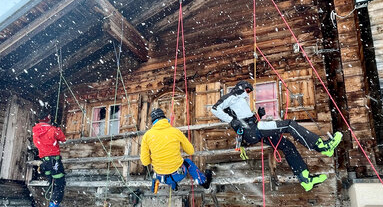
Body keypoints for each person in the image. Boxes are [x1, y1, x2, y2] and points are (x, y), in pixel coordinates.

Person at [211, 80, 342, 191]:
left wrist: (259, 115)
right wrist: (231, 121)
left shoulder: (240, 100)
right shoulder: (233, 95)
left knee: (287, 145)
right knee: (289, 125)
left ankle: (305, 179)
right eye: (247, 90)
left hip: (253, 130)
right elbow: (214, 108)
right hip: (252, 130)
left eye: (249, 91)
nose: (248, 93)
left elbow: (245, 117)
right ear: (242, 87)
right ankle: (322, 146)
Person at [140, 108, 213, 193]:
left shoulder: (147, 136)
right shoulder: (175, 132)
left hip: (161, 178)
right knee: (187, 162)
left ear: (153, 122)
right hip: (178, 174)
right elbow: (190, 151)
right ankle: (204, 182)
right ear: (164, 118)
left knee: (163, 170)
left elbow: (145, 162)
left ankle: (174, 187)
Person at [32, 110, 67, 207]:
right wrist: (57, 128)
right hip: (54, 160)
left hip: (44, 161)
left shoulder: (35, 130)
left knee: (52, 182)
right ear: (48, 118)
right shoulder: (51, 129)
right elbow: (63, 138)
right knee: (60, 183)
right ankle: (54, 206)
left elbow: (37, 144)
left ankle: (53, 205)